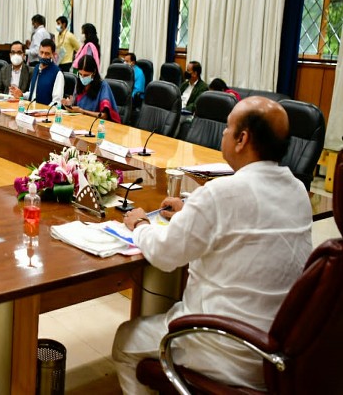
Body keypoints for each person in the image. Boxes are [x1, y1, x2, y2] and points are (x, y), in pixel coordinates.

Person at [114, 96, 312, 393]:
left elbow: (165, 254)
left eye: (228, 126)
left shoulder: (221, 193)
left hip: (224, 346)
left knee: (125, 341)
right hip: (278, 350)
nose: (222, 132)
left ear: (242, 139)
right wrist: (191, 209)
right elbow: (246, 218)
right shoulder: (298, 190)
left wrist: (140, 225)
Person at [62, 53, 120, 122]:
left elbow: (104, 116)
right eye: (80, 74)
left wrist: (83, 111)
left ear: (94, 73)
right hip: (79, 122)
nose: (82, 77)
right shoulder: (78, 83)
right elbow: (75, 106)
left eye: (86, 75)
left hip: (96, 125)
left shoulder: (103, 86)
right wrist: (69, 105)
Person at [11, 38, 63, 105]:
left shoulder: (57, 73)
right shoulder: (36, 68)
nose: (43, 56)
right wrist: (22, 95)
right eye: (41, 52)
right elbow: (32, 93)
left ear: (53, 54)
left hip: (45, 113)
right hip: (30, 109)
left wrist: (44, 112)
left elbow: (57, 103)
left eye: (47, 54)